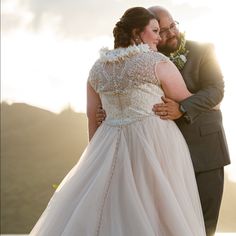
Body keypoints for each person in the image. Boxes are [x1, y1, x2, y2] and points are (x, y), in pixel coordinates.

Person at [29, 7, 206, 235]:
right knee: (158, 208)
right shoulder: (156, 62)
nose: (159, 37)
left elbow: (93, 118)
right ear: (136, 33)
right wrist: (212, 101)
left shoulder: (97, 69)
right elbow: (186, 100)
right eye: (154, 30)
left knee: (109, 205)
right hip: (155, 143)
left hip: (108, 142)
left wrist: (95, 154)